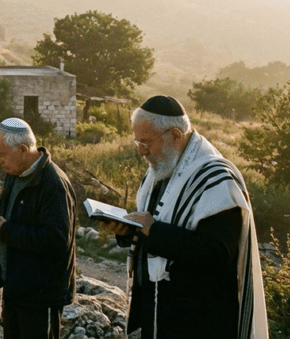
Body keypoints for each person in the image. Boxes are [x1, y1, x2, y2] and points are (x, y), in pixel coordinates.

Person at [98, 95, 269, 339]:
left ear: (175, 136)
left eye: (146, 142)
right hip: (158, 313)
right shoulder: (161, 169)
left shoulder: (216, 180)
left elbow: (217, 253)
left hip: (199, 319)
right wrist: (127, 231)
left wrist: (153, 230)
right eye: (137, 141)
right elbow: (150, 228)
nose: (140, 151)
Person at [0, 117, 76, 339]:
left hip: (39, 297)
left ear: (23, 149)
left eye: (1, 154)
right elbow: (10, 219)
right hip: (15, 289)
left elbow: (56, 239)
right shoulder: (14, 175)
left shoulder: (53, 184)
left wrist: (6, 232)